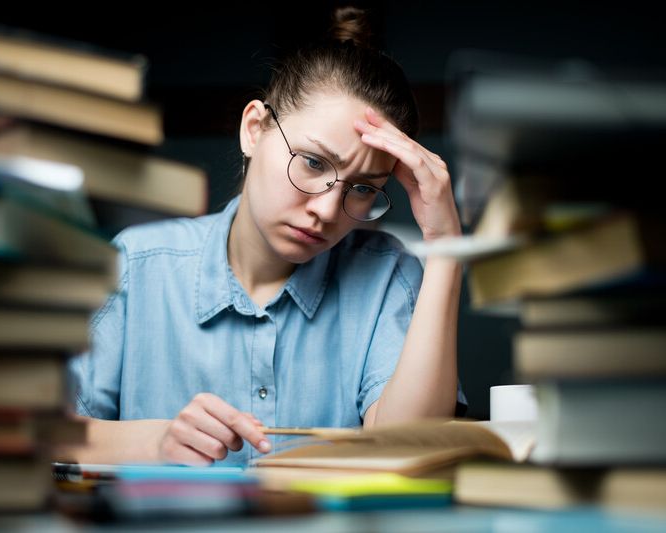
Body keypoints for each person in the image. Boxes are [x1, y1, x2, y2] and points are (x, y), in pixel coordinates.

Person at [64, 6, 467, 467]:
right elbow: (43, 435)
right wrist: (157, 444)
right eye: (314, 162)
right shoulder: (137, 265)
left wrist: (445, 247)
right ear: (254, 129)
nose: (326, 210)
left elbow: (407, 453)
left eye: (362, 190)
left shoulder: (388, 277)